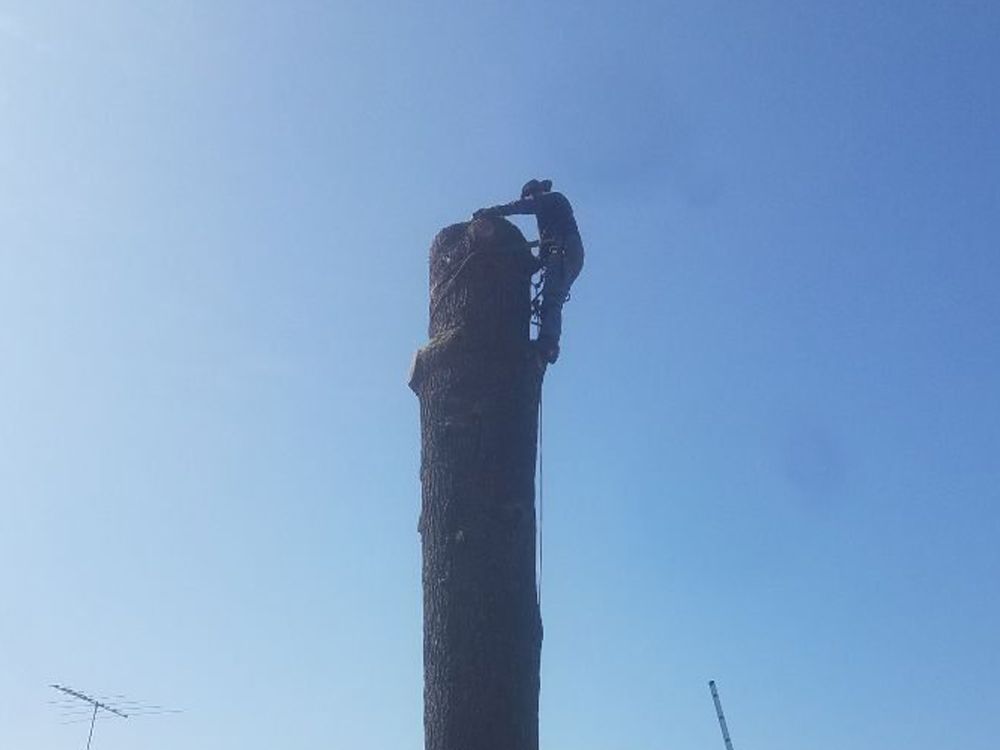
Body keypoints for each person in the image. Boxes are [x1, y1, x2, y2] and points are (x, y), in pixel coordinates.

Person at [474, 179, 584, 364]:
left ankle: (548, 343)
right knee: (550, 300)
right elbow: (541, 256)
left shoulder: (552, 199)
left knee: (552, 299)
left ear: (534, 192)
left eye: (529, 196)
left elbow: (523, 205)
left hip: (564, 250)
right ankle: (546, 343)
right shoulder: (550, 219)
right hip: (564, 253)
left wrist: (493, 212)